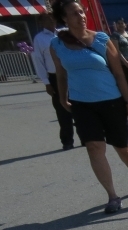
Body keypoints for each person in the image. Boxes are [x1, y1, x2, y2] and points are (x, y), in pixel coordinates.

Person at [50, 0, 128, 214]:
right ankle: (112, 195)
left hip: (111, 101)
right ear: (64, 19)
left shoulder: (101, 39)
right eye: (74, 13)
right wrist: (63, 99)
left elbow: (119, 73)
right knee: (94, 147)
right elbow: (61, 74)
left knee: (122, 146)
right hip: (82, 104)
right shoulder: (56, 44)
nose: (81, 16)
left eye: (81, 12)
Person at [31, 13, 76, 150]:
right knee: (62, 110)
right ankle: (67, 140)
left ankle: (86, 138)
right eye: (47, 19)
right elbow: (38, 60)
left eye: (53, 18)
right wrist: (46, 82)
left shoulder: (63, 33)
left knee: (80, 106)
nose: (51, 21)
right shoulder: (39, 38)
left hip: (72, 74)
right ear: (41, 22)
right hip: (55, 76)